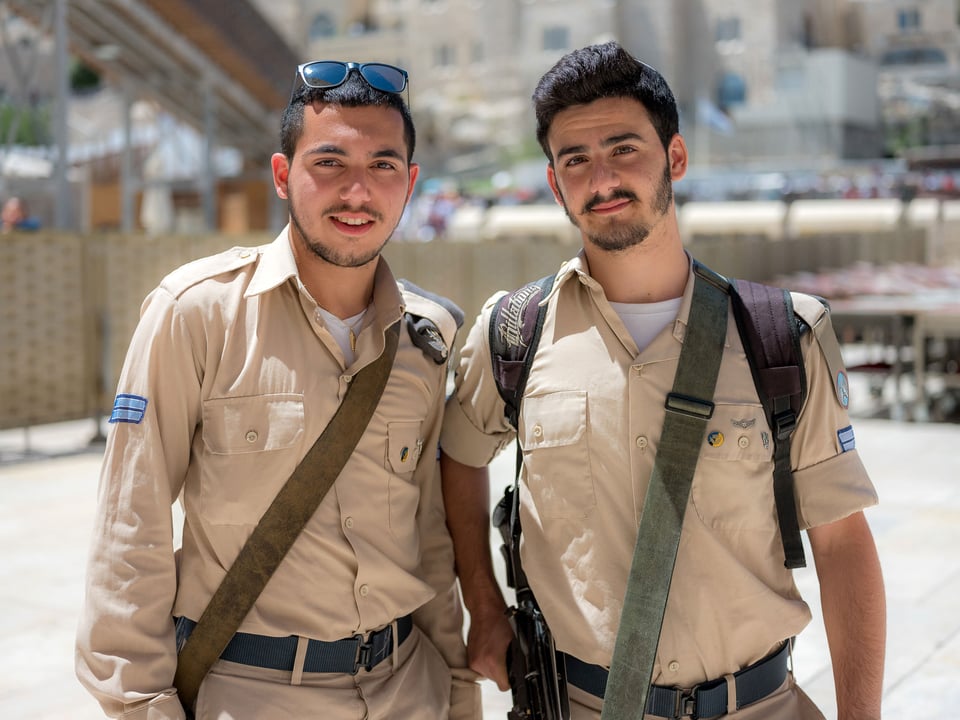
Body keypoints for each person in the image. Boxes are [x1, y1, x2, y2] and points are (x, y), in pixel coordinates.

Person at [439, 42, 885, 720]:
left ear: (674, 158)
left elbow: (843, 543)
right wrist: (484, 603)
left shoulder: (782, 333)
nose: (603, 178)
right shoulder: (512, 334)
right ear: (556, 184)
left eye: (624, 150)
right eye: (575, 160)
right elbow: (460, 458)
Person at [76, 61, 480, 719]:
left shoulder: (426, 336)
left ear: (409, 185)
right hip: (250, 695)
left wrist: (457, 694)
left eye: (382, 166)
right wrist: (141, 704)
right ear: (284, 176)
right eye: (329, 163)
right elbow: (132, 524)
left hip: (409, 689)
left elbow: (428, 539)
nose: (357, 191)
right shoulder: (195, 314)